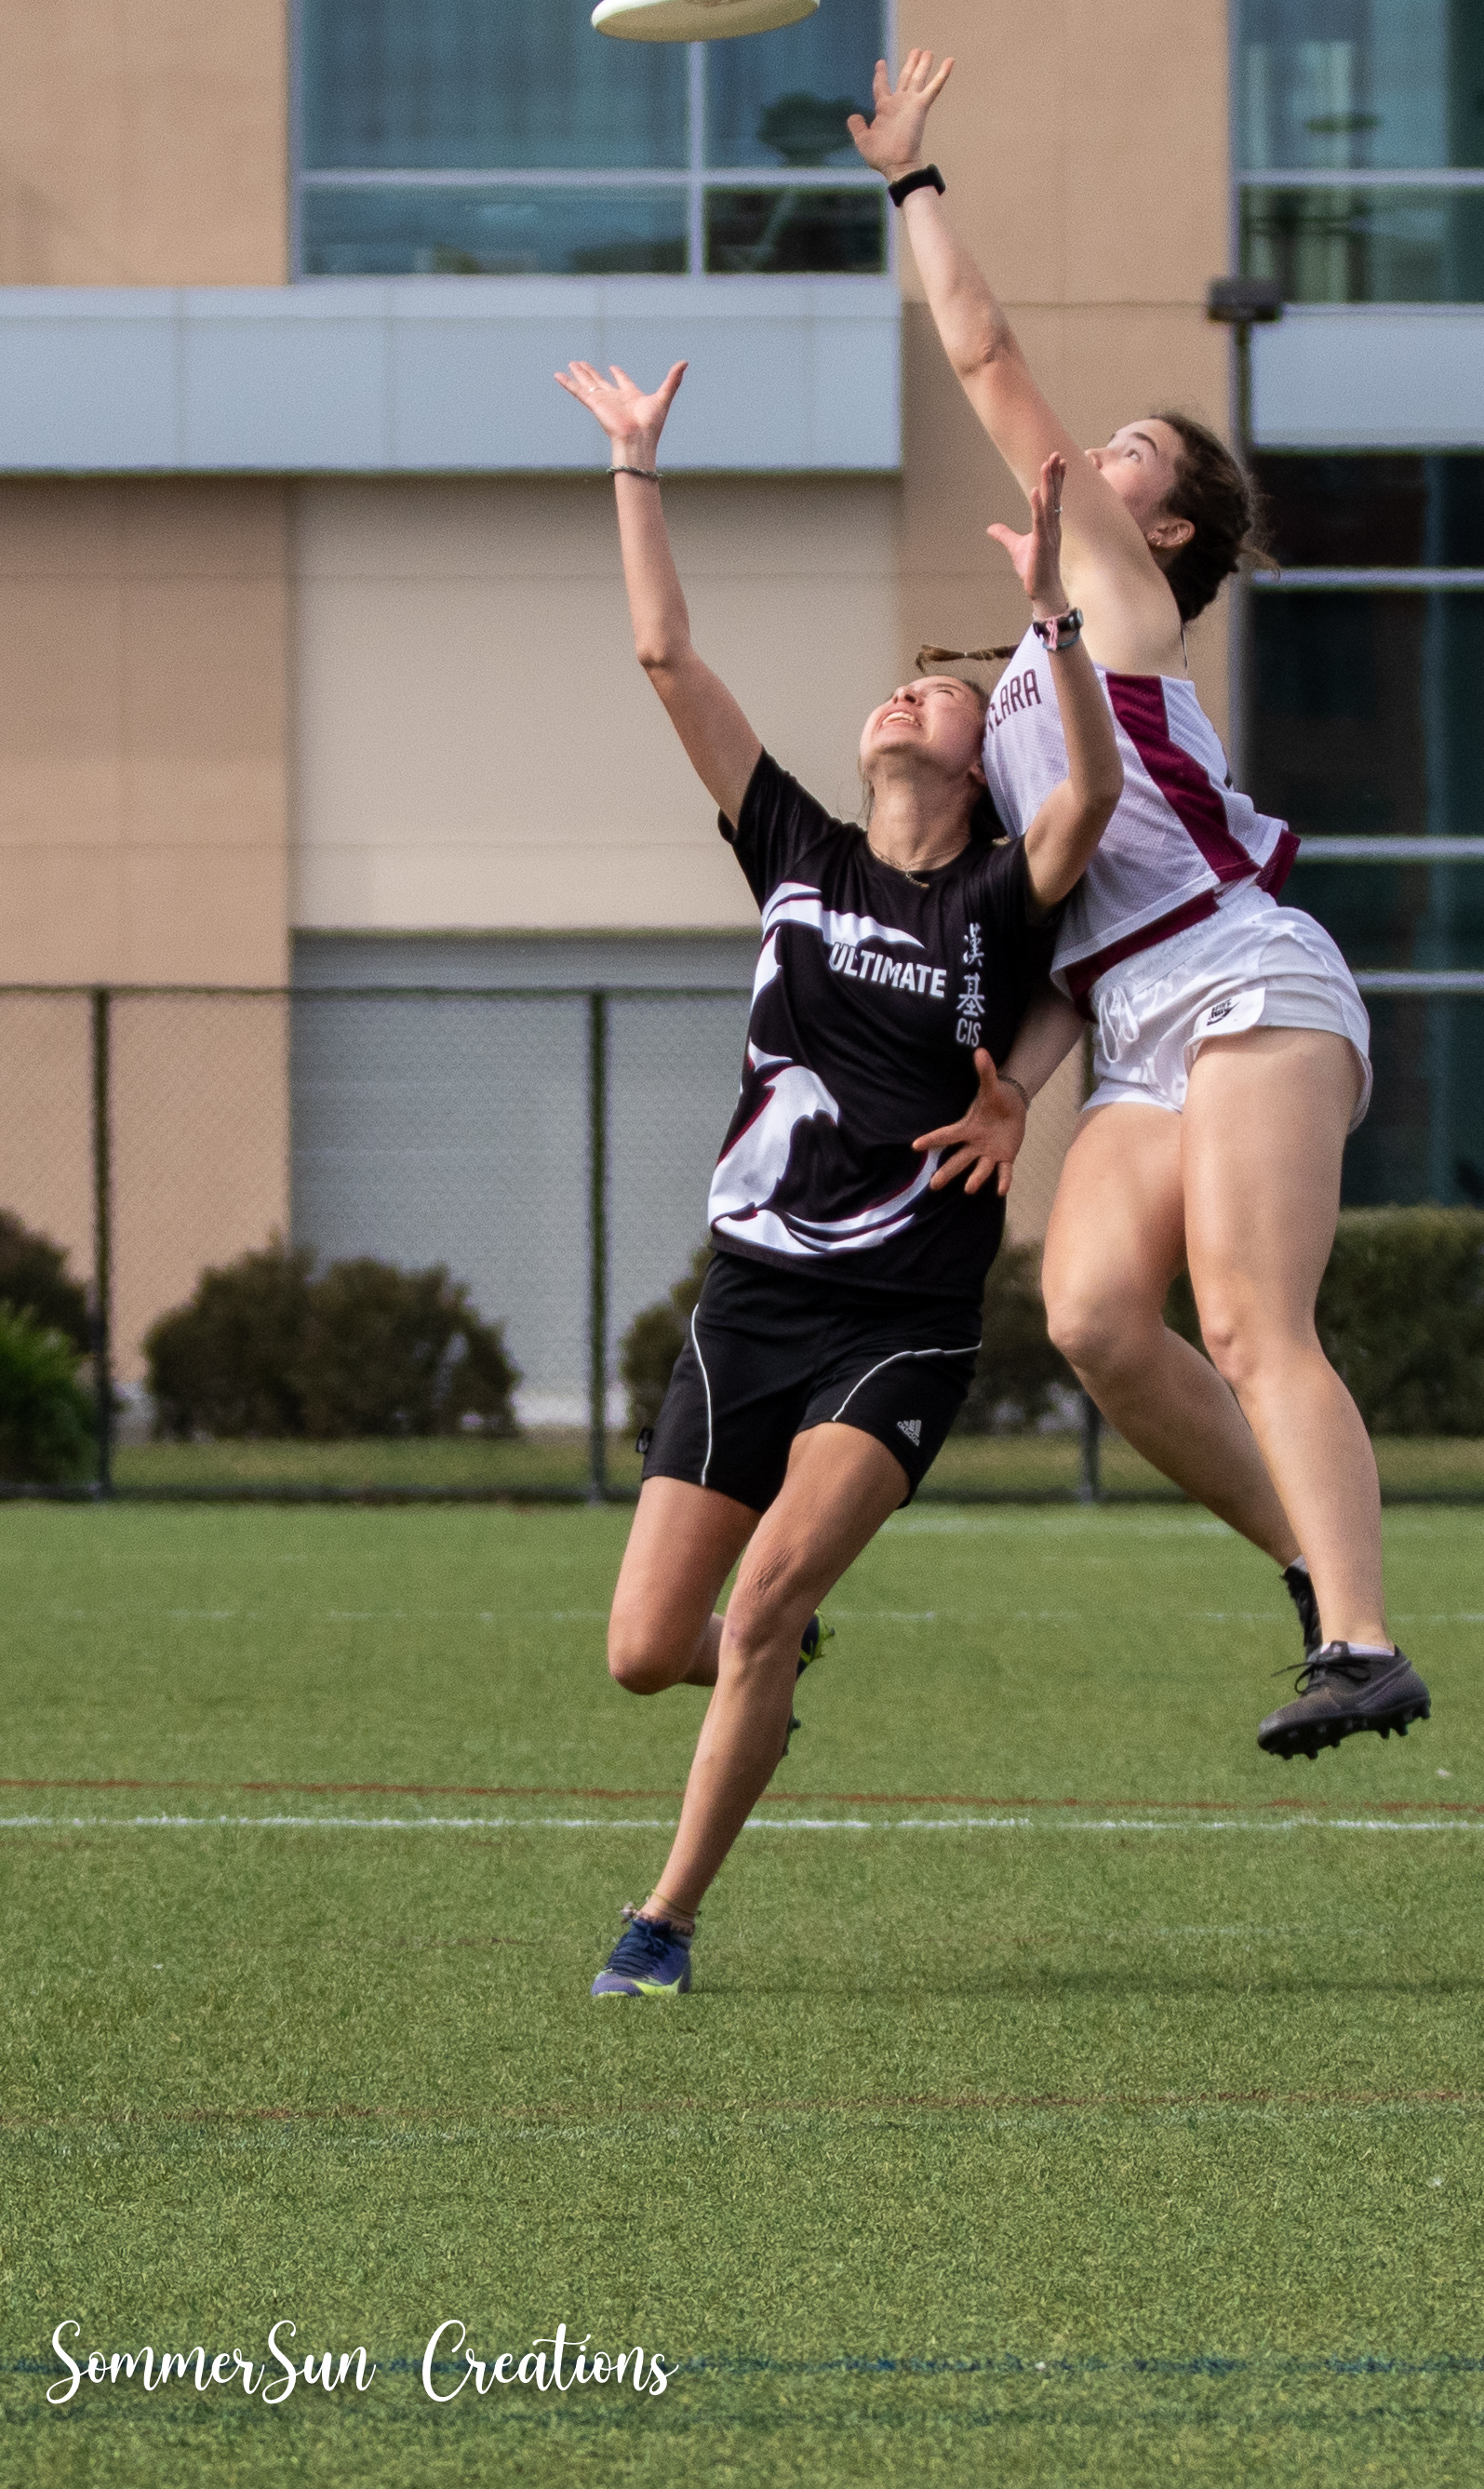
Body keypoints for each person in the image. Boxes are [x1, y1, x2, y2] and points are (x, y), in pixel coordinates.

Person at [848, 49, 1430, 1760]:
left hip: (1250, 986)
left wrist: (912, 183)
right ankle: (1317, 1582)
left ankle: (1368, 1639)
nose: (1090, 453)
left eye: (1127, 455)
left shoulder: (1118, 606)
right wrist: (1014, 1078)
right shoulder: (1038, 651)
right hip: (1127, 1020)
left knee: (1251, 1319)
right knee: (1097, 1320)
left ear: (1156, 526)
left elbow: (981, 354)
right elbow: (1066, 930)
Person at [554, 353, 1121, 1997]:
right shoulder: (796, 846)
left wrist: (1048, 623)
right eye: (898, 687)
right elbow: (666, 655)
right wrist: (636, 466)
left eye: (936, 694)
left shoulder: (1004, 895)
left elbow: (1087, 785)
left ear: (969, 754)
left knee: (762, 1604)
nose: (902, 697)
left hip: (902, 1313)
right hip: (749, 1299)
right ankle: (772, 1662)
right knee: (646, 1651)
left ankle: (658, 1921)